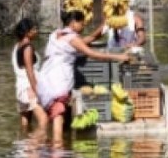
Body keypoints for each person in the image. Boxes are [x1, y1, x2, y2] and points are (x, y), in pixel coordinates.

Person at [37, 10, 130, 147]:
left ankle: (47, 145)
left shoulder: (55, 34)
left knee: (53, 115)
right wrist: (119, 57)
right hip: (58, 81)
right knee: (58, 117)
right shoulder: (72, 38)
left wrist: (104, 27)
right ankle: (57, 154)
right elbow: (92, 54)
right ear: (74, 23)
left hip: (45, 80)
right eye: (82, 24)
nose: (83, 27)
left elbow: (88, 39)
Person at [11, 18, 48, 136]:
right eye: (34, 29)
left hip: (21, 88)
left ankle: (23, 148)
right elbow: (29, 71)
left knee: (25, 122)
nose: (36, 31)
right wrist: (36, 90)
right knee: (44, 120)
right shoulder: (27, 47)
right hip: (29, 88)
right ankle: (32, 144)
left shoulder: (17, 46)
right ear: (27, 32)